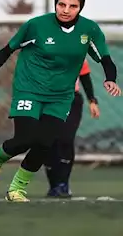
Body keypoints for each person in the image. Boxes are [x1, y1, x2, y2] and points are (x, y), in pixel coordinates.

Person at [0, 0, 120, 202]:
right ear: (55, 4)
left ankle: (17, 189)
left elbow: (106, 59)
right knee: (25, 139)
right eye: (62, 4)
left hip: (61, 96)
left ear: (80, 8)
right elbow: (7, 50)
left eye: (73, 6)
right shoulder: (36, 25)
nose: (66, 10)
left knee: (44, 143)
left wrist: (110, 79)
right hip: (29, 89)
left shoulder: (89, 30)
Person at [45, 59, 99, 197]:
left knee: (66, 138)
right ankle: (53, 184)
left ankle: (63, 184)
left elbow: (85, 77)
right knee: (48, 141)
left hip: (70, 99)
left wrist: (92, 101)